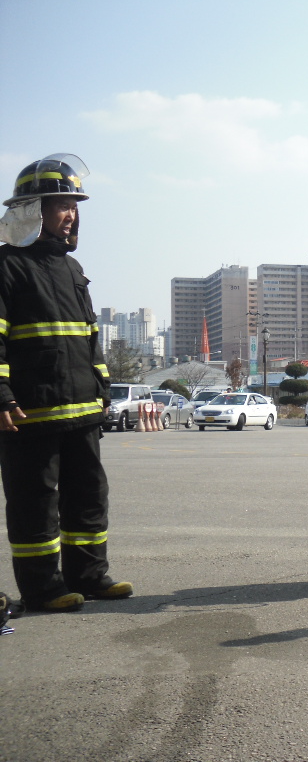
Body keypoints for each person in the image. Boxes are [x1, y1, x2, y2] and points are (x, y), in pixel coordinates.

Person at [0, 154, 133, 614]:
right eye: (62, 205)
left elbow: (89, 340)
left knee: (89, 497)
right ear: (32, 210)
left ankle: (89, 577)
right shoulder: (6, 265)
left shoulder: (72, 270)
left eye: (74, 206)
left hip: (81, 412)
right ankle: (42, 589)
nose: (72, 214)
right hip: (30, 415)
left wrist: (102, 392)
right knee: (35, 503)